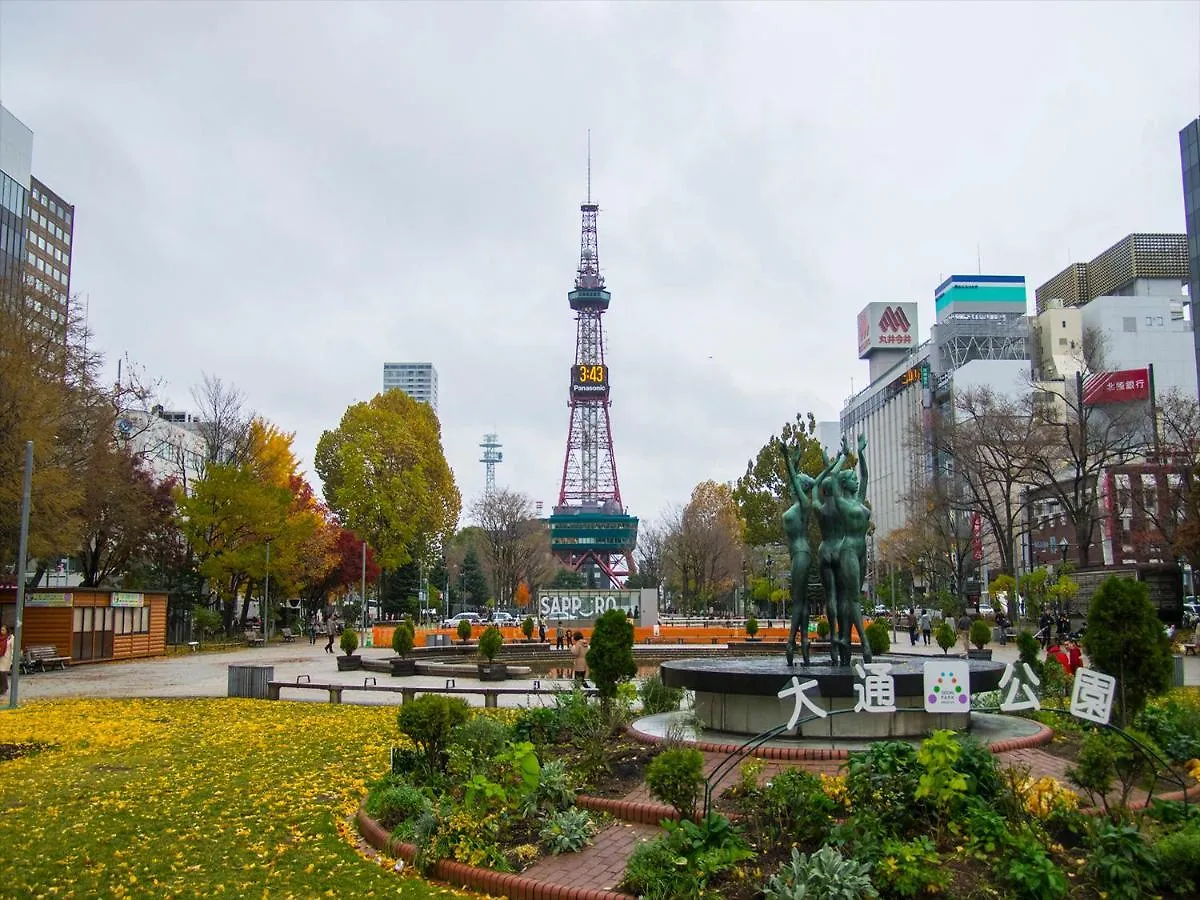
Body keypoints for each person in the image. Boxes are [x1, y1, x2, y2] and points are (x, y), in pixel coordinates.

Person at [0, 625, 12, 697]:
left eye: (3, 630)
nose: (2, 631)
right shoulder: (0, 638)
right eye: (1, 630)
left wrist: (12, 659)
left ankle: (4, 688)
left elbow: (13, 649)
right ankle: (2, 688)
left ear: (7, 630)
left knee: (3, 673)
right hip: (0, 657)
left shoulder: (10, 638)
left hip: (6, 658)